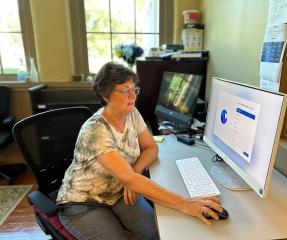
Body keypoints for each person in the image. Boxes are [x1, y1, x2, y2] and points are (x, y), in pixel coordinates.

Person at [57, 62, 223, 240]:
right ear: (106, 95)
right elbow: (130, 178)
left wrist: (133, 175)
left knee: (156, 233)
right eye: (124, 91)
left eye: (133, 89)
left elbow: (151, 148)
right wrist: (184, 203)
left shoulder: (131, 113)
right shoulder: (95, 131)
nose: (132, 96)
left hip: (118, 192)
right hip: (82, 203)